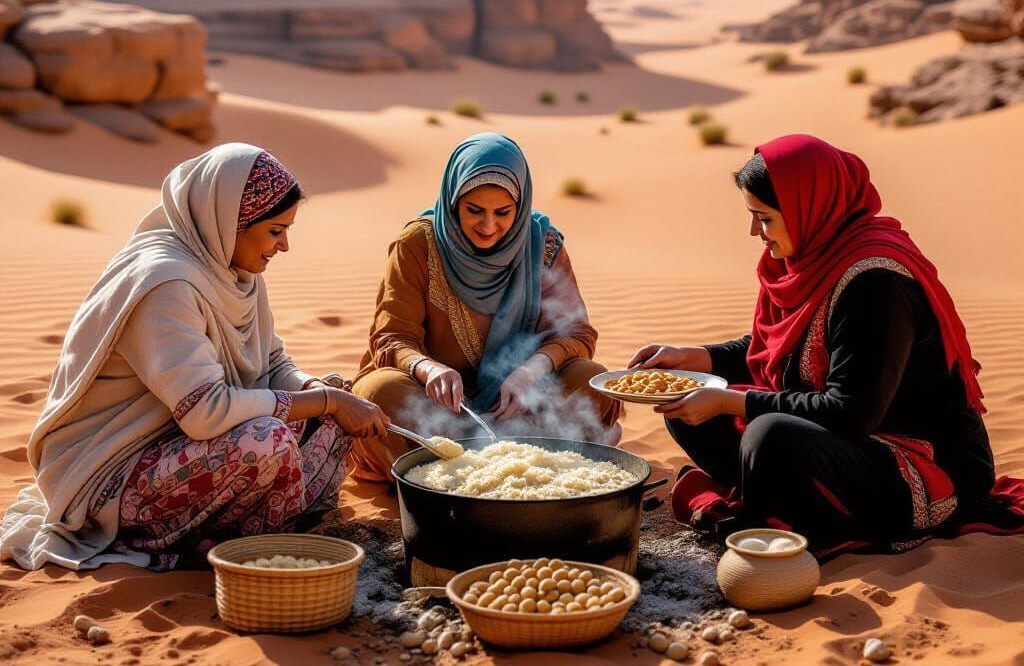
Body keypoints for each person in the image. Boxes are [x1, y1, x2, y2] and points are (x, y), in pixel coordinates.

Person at [0, 143, 389, 571]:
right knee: (270, 439)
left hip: (184, 446)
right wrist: (329, 404)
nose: (284, 246)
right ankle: (220, 544)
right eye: (276, 231)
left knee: (333, 391)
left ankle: (266, 524)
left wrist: (327, 397)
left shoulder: (233, 268)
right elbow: (205, 412)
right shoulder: (166, 284)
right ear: (230, 221)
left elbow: (273, 364)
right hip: (112, 473)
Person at [629, 134, 1023, 555]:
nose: (753, 232)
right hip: (850, 443)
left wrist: (728, 402)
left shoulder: (875, 282)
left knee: (770, 434)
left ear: (805, 209)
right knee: (686, 403)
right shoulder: (810, 259)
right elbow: (782, 349)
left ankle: (790, 509)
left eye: (763, 218)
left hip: (921, 462)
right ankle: (782, 497)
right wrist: (694, 358)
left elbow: (849, 411)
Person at [350, 132, 620, 481]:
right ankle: (501, 461)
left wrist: (529, 373)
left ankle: (505, 460)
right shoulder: (417, 244)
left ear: (521, 207)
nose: (489, 226)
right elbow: (391, 338)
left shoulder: (543, 246)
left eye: (504, 212)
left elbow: (576, 335)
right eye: (474, 210)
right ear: (453, 201)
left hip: (519, 406)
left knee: (591, 378)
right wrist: (428, 369)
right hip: (435, 406)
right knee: (378, 393)